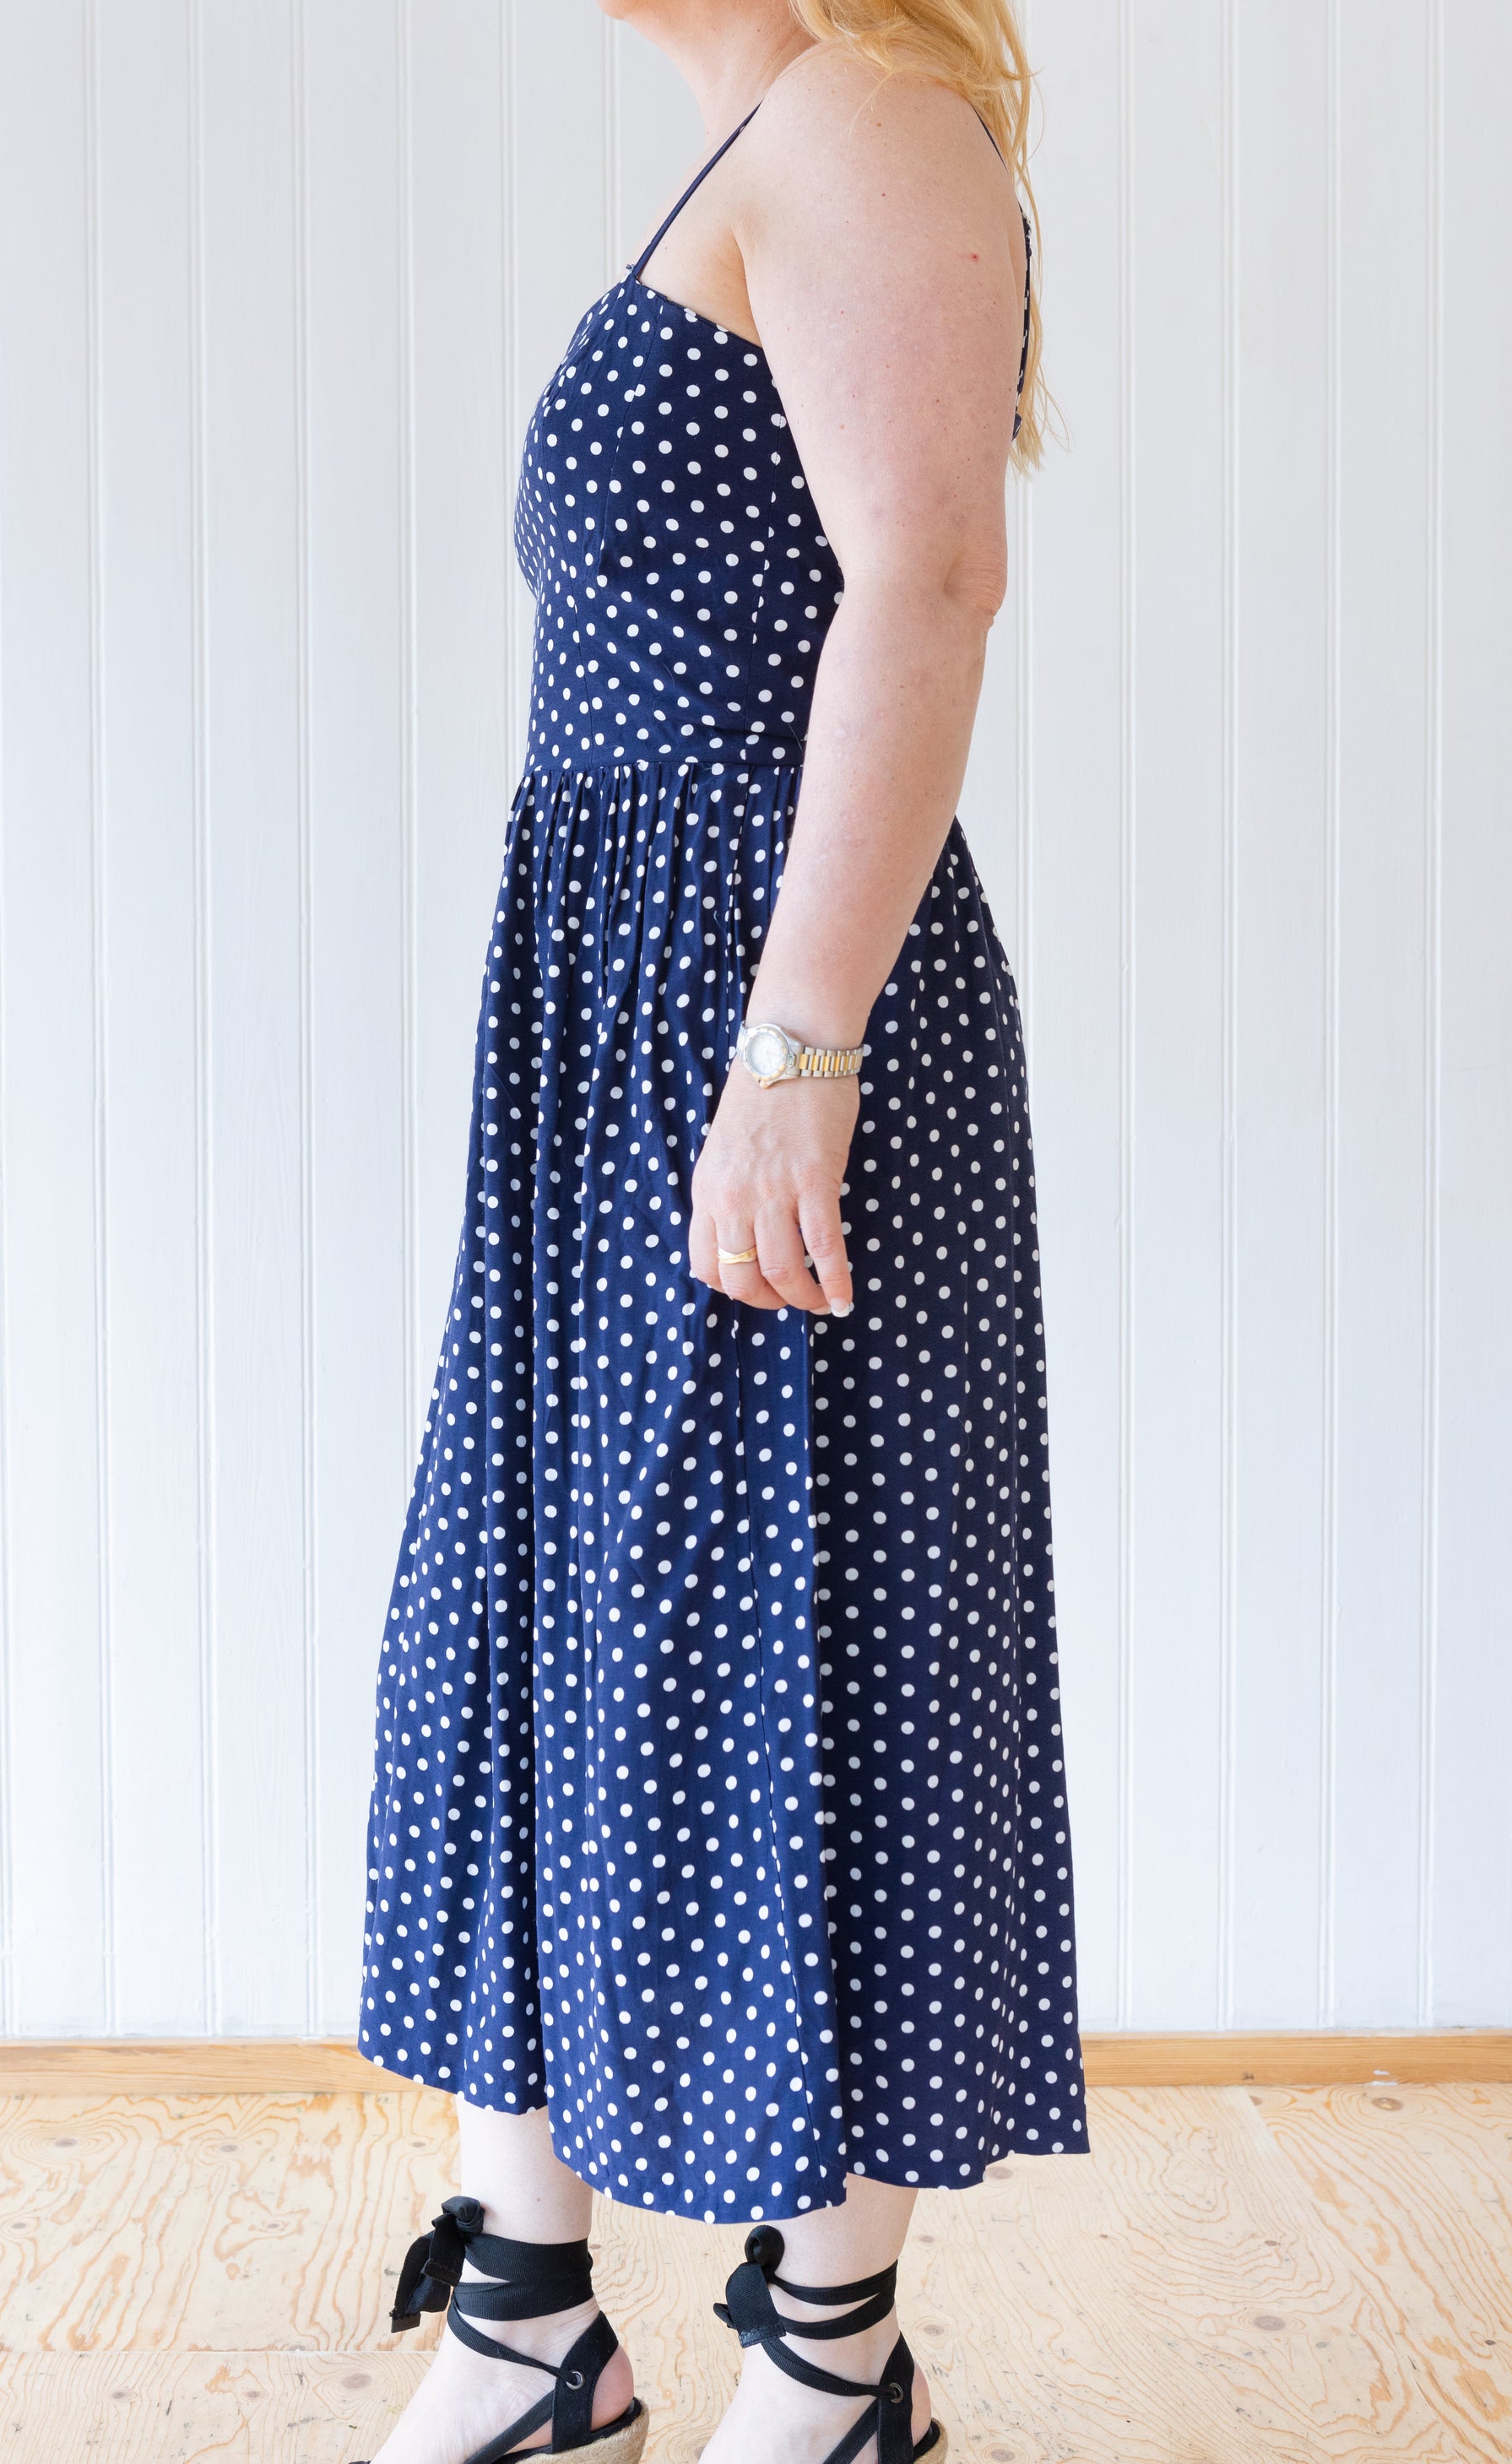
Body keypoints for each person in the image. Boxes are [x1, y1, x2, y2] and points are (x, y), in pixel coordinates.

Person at [356, 6, 1087, 2461]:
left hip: (759, 1006)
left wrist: (793, 1051)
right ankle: (528, 2320)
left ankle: (832, 2355)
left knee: (810, 1633)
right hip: (618, 1007)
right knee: (549, 1611)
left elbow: (930, 582)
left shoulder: (870, 119)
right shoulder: (766, 143)